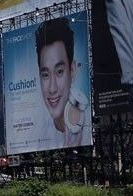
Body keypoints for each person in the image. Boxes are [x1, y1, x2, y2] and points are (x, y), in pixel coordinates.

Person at [34, 17, 91, 149]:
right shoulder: (35, 134)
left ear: (72, 70)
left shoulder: (90, 129)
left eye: (59, 71)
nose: (52, 88)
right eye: (45, 75)